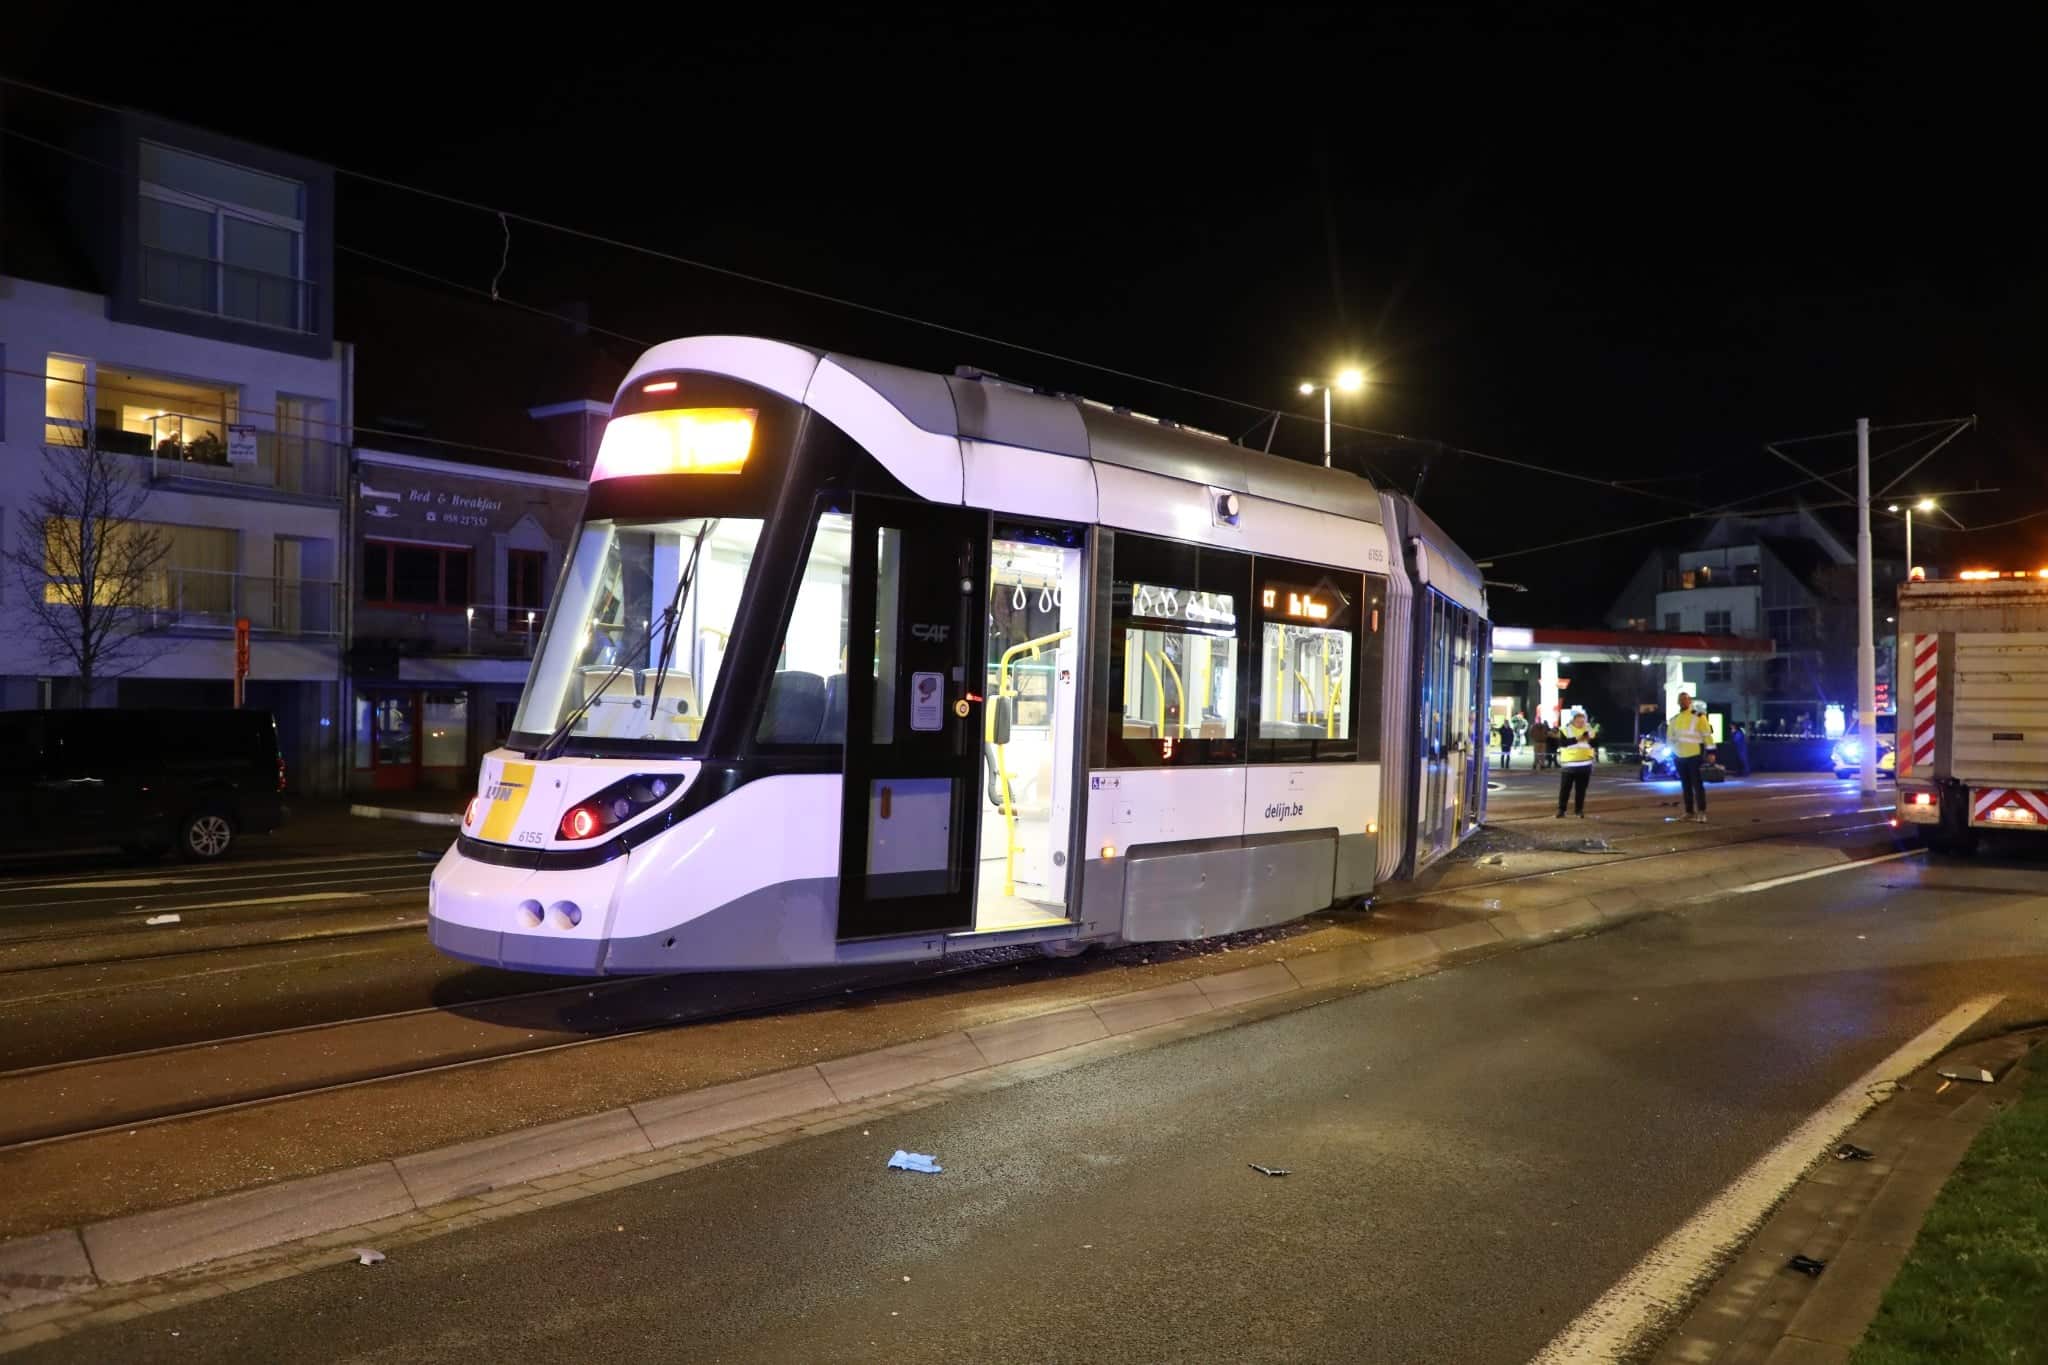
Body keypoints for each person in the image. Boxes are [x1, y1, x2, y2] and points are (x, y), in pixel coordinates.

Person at [1670, 692, 1714, 821]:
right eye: (1681, 699)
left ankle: (1701, 812)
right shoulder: (1674, 719)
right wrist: (1673, 752)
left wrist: (1711, 753)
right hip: (1679, 756)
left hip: (1694, 755)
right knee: (1685, 785)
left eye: (1686, 699)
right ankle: (1689, 812)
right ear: (1678, 702)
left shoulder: (1699, 717)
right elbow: (1670, 738)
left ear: (1690, 702)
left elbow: (1707, 735)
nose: (1683, 701)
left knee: (1697, 785)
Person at [1555, 706, 1598, 817]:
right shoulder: (1565, 729)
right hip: (1569, 765)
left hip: (1585, 765)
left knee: (1581, 790)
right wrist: (1577, 739)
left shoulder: (1589, 730)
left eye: (1583, 721)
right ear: (1573, 721)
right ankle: (1561, 810)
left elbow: (1596, 744)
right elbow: (1562, 743)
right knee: (1565, 789)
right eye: (1579, 721)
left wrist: (1590, 740)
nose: (1581, 723)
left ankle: (1579, 810)